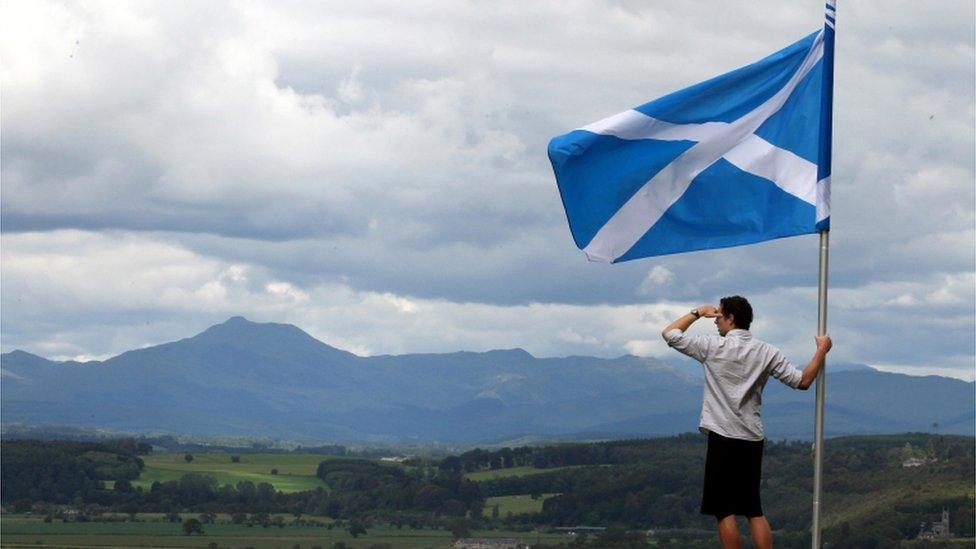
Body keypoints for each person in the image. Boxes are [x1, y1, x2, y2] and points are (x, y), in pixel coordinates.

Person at [661, 295, 832, 549]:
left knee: (723, 510)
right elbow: (802, 381)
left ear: (731, 318)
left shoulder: (712, 347)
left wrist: (698, 312)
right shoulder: (767, 351)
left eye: (719, 315)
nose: (715, 321)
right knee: (753, 509)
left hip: (722, 435)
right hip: (751, 437)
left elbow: (670, 334)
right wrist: (821, 350)